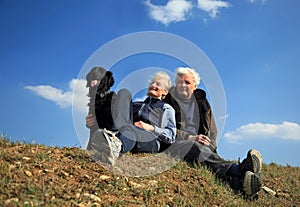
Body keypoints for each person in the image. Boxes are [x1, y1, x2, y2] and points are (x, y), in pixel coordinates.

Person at [163, 67, 263, 199]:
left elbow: (212, 130)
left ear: (195, 86)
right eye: (179, 82)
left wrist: (210, 146)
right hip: (176, 143)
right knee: (194, 147)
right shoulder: (168, 102)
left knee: (207, 156)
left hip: (201, 145)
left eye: (187, 82)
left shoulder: (202, 102)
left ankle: (242, 182)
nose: (182, 85)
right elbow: (164, 128)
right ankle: (239, 170)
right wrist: (191, 137)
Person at [87, 71, 176, 166]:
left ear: (165, 91)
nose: (153, 85)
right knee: (124, 92)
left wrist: (151, 128)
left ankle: (115, 146)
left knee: (129, 130)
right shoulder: (136, 105)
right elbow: (117, 117)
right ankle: (114, 138)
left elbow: (171, 135)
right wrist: (94, 121)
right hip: (127, 132)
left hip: (151, 140)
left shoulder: (166, 108)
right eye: (152, 83)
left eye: (158, 84)